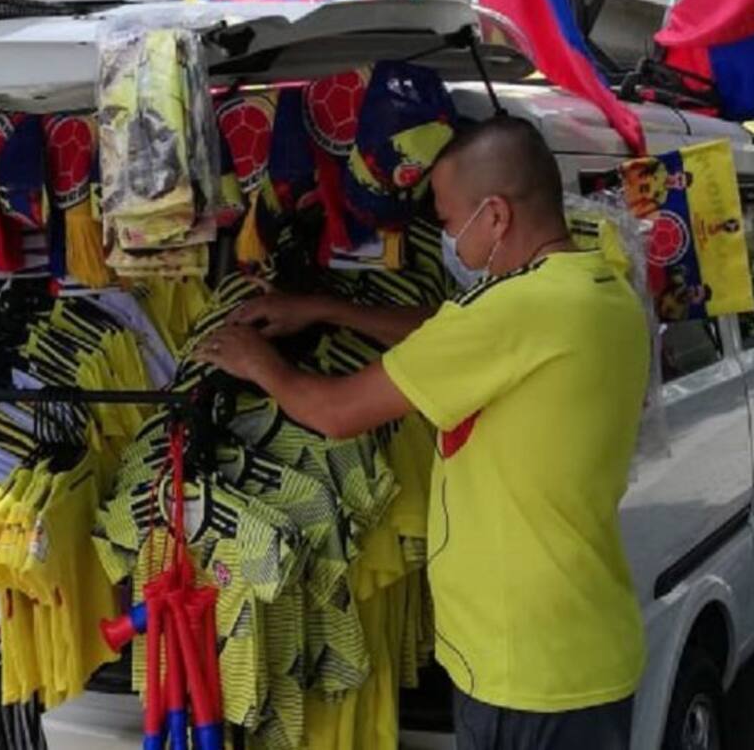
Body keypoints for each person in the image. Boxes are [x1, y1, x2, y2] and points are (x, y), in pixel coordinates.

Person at [198, 117, 651, 749]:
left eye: (447, 220)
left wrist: (258, 363)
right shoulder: (597, 287)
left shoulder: (515, 312)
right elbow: (448, 329)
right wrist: (326, 309)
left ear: (495, 215)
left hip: (526, 667)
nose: (447, 238)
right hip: (578, 639)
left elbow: (335, 411)